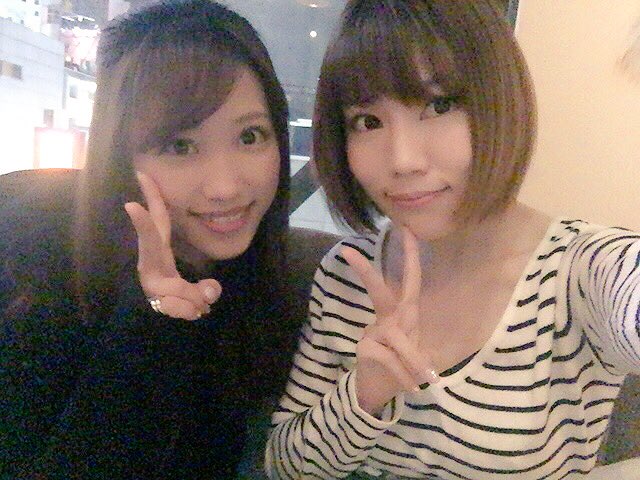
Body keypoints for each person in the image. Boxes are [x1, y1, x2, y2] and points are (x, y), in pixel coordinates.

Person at [266, 0, 640, 478]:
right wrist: (363, 394)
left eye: (439, 105)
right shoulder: (348, 273)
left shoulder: (577, 273)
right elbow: (286, 467)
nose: (403, 161)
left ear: (502, 104)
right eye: (368, 121)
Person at [0, 0, 295, 477]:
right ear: (119, 156)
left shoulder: (256, 282)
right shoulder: (38, 261)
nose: (225, 187)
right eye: (180, 145)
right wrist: (151, 321)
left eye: (250, 137)